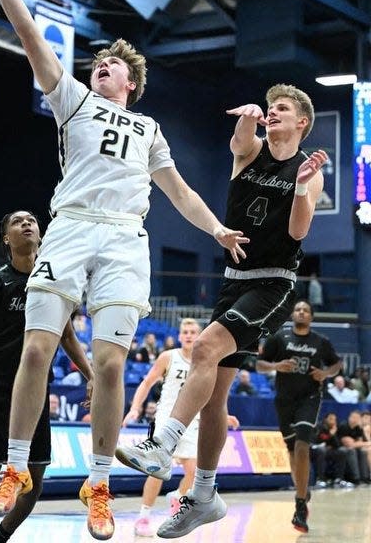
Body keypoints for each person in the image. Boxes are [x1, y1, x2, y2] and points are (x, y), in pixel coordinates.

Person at [0, 0, 247, 541]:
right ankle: (14, 469)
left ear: (131, 82)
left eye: (114, 63)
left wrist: (219, 228)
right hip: (69, 228)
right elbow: (28, 32)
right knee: (37, 348)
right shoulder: (71, 99)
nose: (103, 64)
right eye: (100, 61)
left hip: (124, 238)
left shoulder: (149, 128)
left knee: (111, 364)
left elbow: (180, 194)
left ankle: (98, 484)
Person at [116, 85, 328, 539]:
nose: (273, 112)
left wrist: (303, 187)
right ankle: (205, 495)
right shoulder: (250, 148)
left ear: (302, 123)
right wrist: (247, 118)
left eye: (283, 109)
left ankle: (163, 444)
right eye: (271, 107)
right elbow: (238, 143)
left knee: (205, 347)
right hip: (233, 282)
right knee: (214, 397)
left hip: (273, 282)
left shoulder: (306, 169)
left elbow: (297, 232)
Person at [0, 210, 93, 543]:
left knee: (34, 485)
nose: (27, 224)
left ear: (41, 234)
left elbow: (68, 336)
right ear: (6, 238)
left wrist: (91, 375)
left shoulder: (53, 285)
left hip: (35, 395)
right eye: (17, 222)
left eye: (31, 220)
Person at [122, 318, 239, 537]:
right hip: (167, 418)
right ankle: (144, 516)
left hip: (194, 421)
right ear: (179, 336)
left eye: (193, 331)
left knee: (194, 470)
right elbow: (147, 382)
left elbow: (216, 395)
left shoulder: (208, 359)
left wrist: (226, 415)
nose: (188, 335)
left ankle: (178, 496)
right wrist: (135, 408)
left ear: (201, 334)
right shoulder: (169, 356)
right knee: (156, 469)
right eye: (184, 331)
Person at [256, 300, 342, 530]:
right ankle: (303, 489)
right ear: (292, 314)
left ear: (311, 317)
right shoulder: (279, 338)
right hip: (284, 400)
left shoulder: (321, 342)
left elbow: (336, 364)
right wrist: (276, 366)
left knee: (303, 445)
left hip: (310, 399)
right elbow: (259, 365)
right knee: (292, 451)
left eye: (305, 310)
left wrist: (325, 373)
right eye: (297, 309)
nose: (301, 312)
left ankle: (300, 504)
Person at [312, 412, 354, 489]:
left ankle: (339, 479)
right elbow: (318, 440)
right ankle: (320, 479)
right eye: (331, 419)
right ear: (325, 419)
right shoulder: (319, 426)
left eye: (334, 419)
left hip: (328, 451)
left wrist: (333, 434)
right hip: (315, 450)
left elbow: (337, 445)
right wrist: (330, 434)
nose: (333, 421)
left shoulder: (334, 428)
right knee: (322, 450)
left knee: (342, 451)